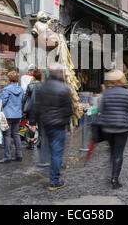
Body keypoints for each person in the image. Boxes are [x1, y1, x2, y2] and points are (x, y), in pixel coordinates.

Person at [33, 63, 73, 191]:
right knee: (56, 153)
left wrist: (33, 122)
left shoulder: (42, 87)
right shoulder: (64, 88)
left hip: (45, 123)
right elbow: (68, 109)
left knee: (47, 148)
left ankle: (45, 167)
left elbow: (36, 106)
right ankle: (54, 181)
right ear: (60, 74)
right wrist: (67, 124)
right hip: (58, 125)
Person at [97, 70, 128, 189]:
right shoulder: (127, 93)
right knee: (119, 152)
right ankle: (114, 179)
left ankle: (110, 170)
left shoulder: (105, 93)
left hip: (108, 128)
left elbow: (100, 110)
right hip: (122, 128)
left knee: (112, 149)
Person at [0, 71, 24, 163]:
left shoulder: (6, 89)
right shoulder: (21, 89)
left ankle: (7, 156)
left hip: (8, 115)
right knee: (16, 134)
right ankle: (19, 155)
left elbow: (2, 102)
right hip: (17, 115)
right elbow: (22, 101)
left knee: (7, 136)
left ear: (9, 79)